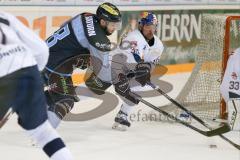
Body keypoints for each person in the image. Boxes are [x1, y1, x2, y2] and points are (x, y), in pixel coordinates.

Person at [0, 12, 74, 160]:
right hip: (28, 69)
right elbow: (41, 48)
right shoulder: (4, 17)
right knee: (43, 132)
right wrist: (33, 76)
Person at [43, 2, 122, 128]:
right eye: (113, 25)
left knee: (58, 93)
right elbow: (103, 73)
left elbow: (63, 27)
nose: (114, 28)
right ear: (102, 22)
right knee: (66, 99)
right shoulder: (99, 40)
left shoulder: (85, 16)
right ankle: (44, 134)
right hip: (55, 67)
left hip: (43, 55)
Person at [111, 11, 164, 131]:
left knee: (139, 87)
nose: (151, 30)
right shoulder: (133, 37)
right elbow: (136, 59)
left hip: (128, 71)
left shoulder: (158, 45)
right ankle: (63, 99)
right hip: (111, 67)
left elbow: (151, 63)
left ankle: (123, 114)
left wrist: (147, 70)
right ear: (141, 26)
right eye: (147, 26)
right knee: (92, 90)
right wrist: (142, 70)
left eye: (153, 27)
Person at [220, 48, 240, 131]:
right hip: (234, 93)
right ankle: (234, 120)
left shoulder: (237, 51)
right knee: (236, 127)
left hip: (231, 91)